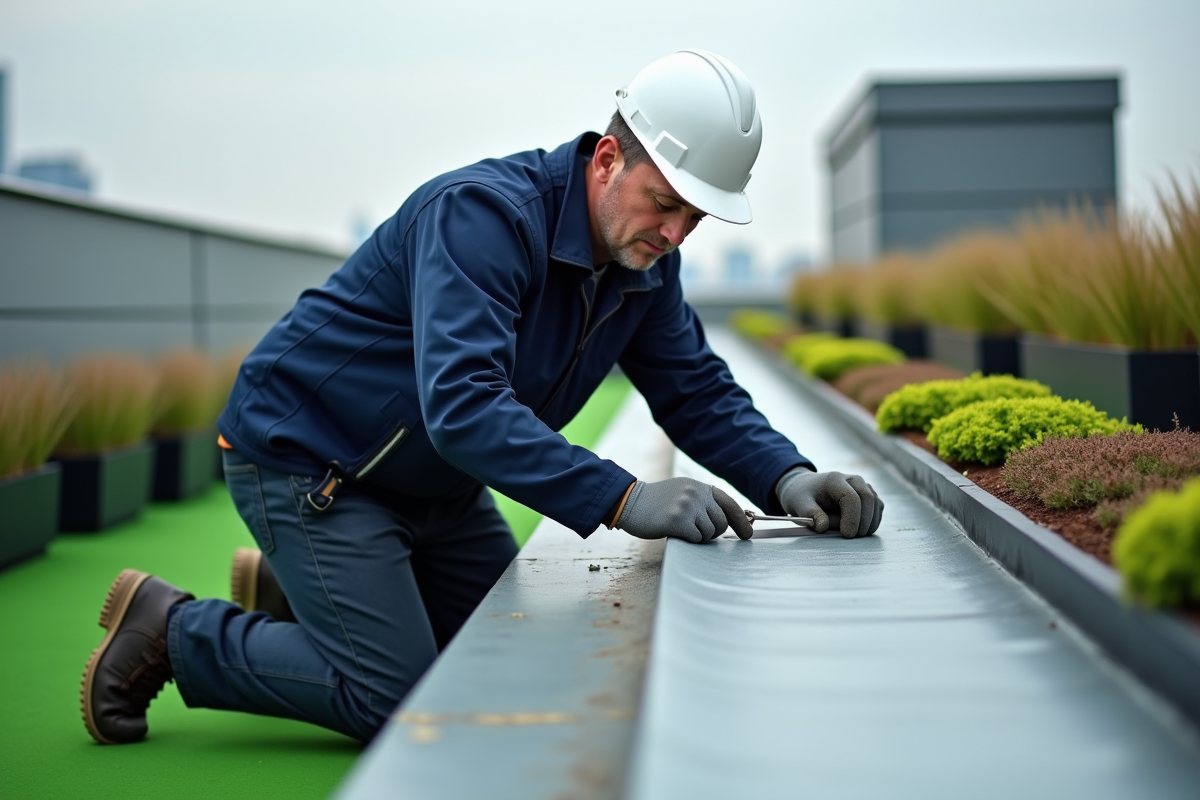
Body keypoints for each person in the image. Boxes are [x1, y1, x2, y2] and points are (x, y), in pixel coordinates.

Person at [79, 49, 883, 746]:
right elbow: (463, 405)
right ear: (607, 159)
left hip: (438, 488)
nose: (675, 233)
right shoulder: (483, 218)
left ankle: (304, 599)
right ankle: (172, 628)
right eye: (665, 203)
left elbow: (697, 390)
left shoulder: (644, 269)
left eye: (696, 217)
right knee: (402, 700)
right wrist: (624, 496)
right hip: (316, 465)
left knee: (507, 659)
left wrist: (789, 478)